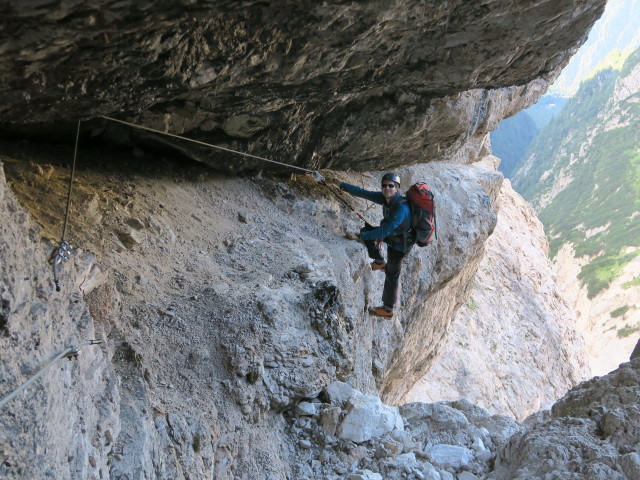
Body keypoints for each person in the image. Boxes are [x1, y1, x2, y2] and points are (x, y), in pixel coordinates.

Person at [339, 173, 413, 319]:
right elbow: (364, 193)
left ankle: (388, 309)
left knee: (392, 275)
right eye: (384, 185)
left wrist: (362, 237)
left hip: (400, 246)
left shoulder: (401, 208)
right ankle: (379, 262)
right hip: (394, 237)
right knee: (367, 230)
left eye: (391, 185)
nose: (387, 188)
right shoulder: (386, 199)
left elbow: (386, 230)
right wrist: (342, 185)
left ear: (397, 188)